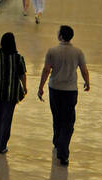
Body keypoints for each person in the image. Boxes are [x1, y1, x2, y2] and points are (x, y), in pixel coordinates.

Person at [37, 24, 91, 166]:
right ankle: (63, 152)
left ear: (60, 36)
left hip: (54, 89)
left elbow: (46, 70)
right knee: (68, 122)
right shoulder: (78, 52)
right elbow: (84, 70)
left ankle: (57, 141)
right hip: (70, 91)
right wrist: (87, 82)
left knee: (57, 117)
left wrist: (40, 87)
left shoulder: (52, 51)